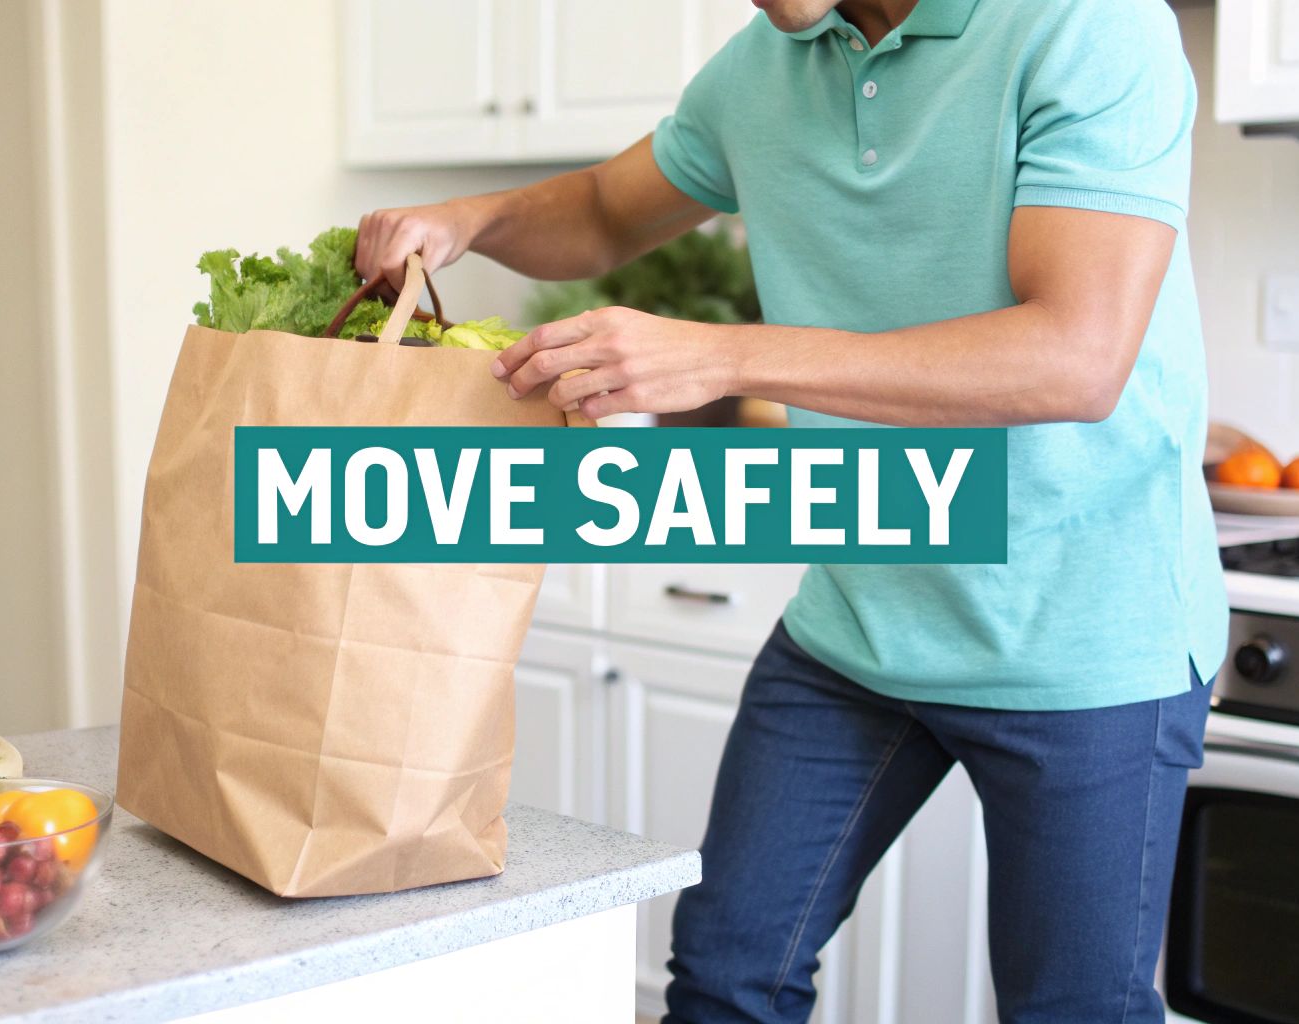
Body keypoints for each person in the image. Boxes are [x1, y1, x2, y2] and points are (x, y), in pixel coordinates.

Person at [354, 0, 1227, 1019]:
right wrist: (474, 220)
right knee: (725, 974)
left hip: (1084, 637)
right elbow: (601, 208)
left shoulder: (1087, 27)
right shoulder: (761, 71)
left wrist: (721, 350)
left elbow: (1072, 358)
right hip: (859, 616)